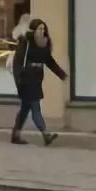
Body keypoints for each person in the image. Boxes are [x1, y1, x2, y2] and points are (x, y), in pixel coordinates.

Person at [11, 18, 67, 146]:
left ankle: (15, 134)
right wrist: (19, 79)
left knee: (25, 109)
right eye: (39, 29)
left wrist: (62, 75)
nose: (42, 31)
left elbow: (49, 61)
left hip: (36, 80)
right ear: (33, 31)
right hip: (26, 80)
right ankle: (45, 134)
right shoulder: (26, 43)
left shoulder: (44, 44)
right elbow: (17, 62)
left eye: (43, 28)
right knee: (35, 108)